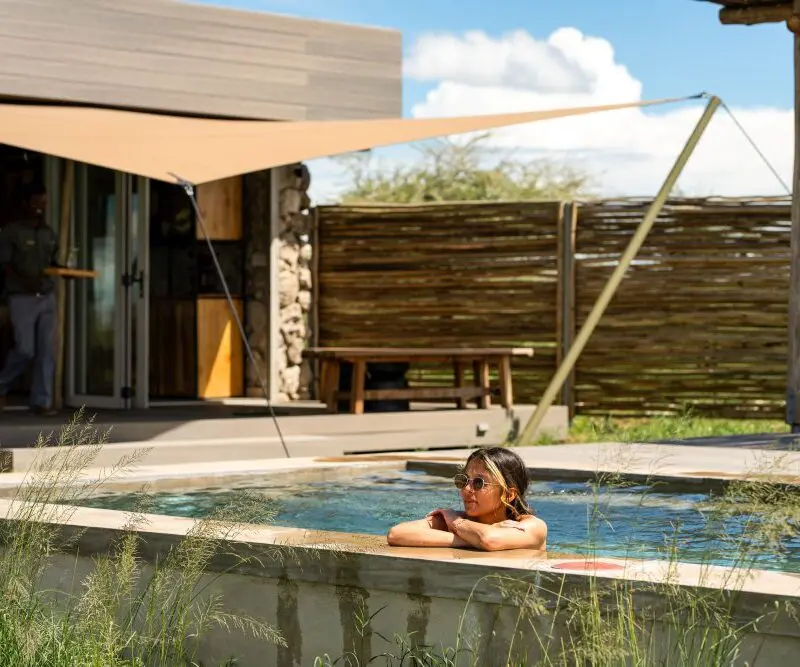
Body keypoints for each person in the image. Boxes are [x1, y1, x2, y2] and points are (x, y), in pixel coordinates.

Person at [387, 447, 547, 551]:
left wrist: (457, 523)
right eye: (463, 480)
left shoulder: (534, 526)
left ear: (508, 494)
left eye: (479, 483)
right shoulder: (456, 520)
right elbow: (397, 533)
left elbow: (489, 540)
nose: (466, 489)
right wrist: (466, 538)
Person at [0, 182, 59, 416]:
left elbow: (54, 262)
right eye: (35, 202)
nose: (40, 207)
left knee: (47, 351)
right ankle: (2, 385)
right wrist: (25, 282)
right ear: (25, 203)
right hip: (21, 297)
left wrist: (63, 271)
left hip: (47, 297)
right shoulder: (11, 232)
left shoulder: (49, 233)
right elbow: (5, 266)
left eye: (43, 202)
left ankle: (41, 402)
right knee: (25, 349)